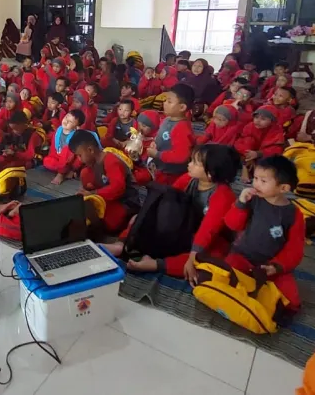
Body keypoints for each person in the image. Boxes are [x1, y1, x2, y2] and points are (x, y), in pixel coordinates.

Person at [103, 144, 240, 276]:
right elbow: (166, 200)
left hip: (209, 236)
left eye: (195, 162)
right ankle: (122, 244)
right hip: (184, 225)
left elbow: (208, 229)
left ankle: (157, 264)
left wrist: (193, 256)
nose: (189, 164)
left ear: (210, 173)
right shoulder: (189, 179)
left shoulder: (223, 195)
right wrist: (143, 217)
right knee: (146, 215)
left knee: (211, 257)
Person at [225, 156, 306, 312]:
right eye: (255, 178)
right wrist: (240, 203)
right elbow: (232, 224)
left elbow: (295, 248)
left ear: (283, 188)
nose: (256, 184)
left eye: (263, 181)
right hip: (242, 255)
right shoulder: (252, 200)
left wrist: (276, 266)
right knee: (226, 274)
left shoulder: (293, 215)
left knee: (291, 301)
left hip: (271, 264)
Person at [70, 129, 133, 235]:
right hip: (108, 199)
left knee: (97, 222)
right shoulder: (93, 164)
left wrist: (94, 193)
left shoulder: (110, 160)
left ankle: (99, 230)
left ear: (90, 150)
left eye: (79, 155)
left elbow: (118, 188)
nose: (79, 159)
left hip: (125, 202)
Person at [146, 84, 197, 185]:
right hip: (161, 168)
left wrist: (157, 154)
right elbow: (162, 136)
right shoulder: (167, 119)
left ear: (182, 107)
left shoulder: (182, 128)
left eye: (169, 102)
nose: (164, 103)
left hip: (172, 174)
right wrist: (155, 143)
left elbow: (181, 156)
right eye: (165, 100)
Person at [235, 105, 287, 178]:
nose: (258, 121)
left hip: (263, 157)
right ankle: (245, 168)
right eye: (256, 117)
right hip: (248, 155)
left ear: (272, 121)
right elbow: (240, 143)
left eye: (263, 119)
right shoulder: (250, 126)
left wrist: (258, 154)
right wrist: (248, 155)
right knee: (247, 142)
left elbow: (276, 150)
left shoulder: (276, 132)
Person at [44, 110, 84, 184]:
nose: (66, 121)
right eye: (66, 118)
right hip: (58, 159)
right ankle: (65, 170)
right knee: (46, 161)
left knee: (66, 149)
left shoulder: (75, 136)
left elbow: (79, 157)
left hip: (70, 162)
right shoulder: (58, 130)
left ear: (76, 127)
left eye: (70, 122)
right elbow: (53, 149)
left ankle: (61, 174)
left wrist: (74, 169)